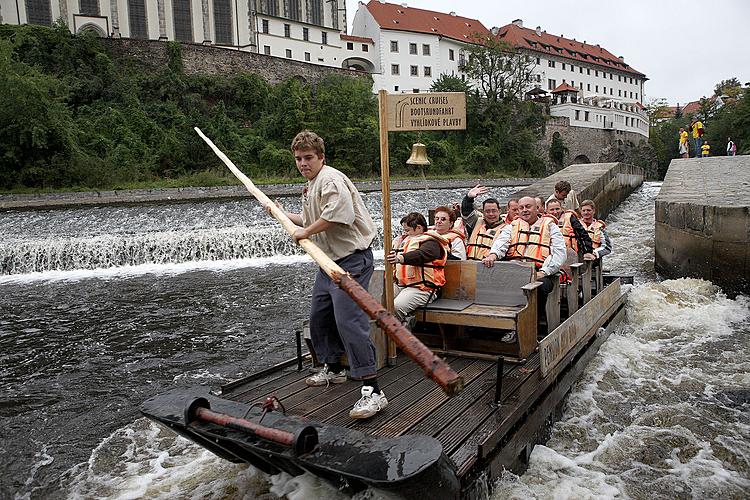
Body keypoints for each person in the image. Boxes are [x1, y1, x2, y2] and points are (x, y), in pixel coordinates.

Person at [275, 130, 385, 420]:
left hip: (351, 261)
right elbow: (310, 221)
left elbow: (339, 216)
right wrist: (282, 214)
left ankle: (373, 390)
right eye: (298, 159)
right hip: (327, 262)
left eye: (308, 157)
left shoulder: (331, 179)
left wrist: (306, 232)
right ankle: (334, 368)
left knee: (349, 321)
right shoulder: (310, 185)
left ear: (321, 157)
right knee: (320, 315)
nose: (303, 163)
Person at [482, 196, 566, 301]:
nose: (524, 210)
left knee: (539, 287)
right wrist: (492, 255)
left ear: (537, 209)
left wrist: (543, 272)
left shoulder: (551, 227)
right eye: (521, 208)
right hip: (514, 270)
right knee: (490, 280)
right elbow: (501, 242)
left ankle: (534, 316)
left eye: (528, 207)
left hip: (540, 272)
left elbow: (559, 253)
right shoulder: (512, 226)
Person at [386, 212, 449, 322]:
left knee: (396, 306)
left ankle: (404, 328)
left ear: (419, 228)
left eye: (407, 230)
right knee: (378, 302)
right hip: (402, 285)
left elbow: (422, 254)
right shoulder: (404, 241)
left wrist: (401, 258)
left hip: (423, 288)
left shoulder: (431, 242)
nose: (405, 233)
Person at [461, 185, 516, 260]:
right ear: (483, 212)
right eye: (487, 211)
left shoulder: (506, 228)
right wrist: (469, 198)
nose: (491, 214)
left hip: (491, 265)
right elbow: (466, 212)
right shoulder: (476, 222)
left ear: (499, 211)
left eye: (494, 211)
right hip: (471, 263)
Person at [579, 199, 612, 265]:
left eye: (588, 210)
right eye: (584, 211)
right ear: (581, 212)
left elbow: (607, 247)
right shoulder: (576, 224)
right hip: (577, 257)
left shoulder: (599, 227)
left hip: (593, 260)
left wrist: (594, 253)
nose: (586, 213)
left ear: (593, 211)